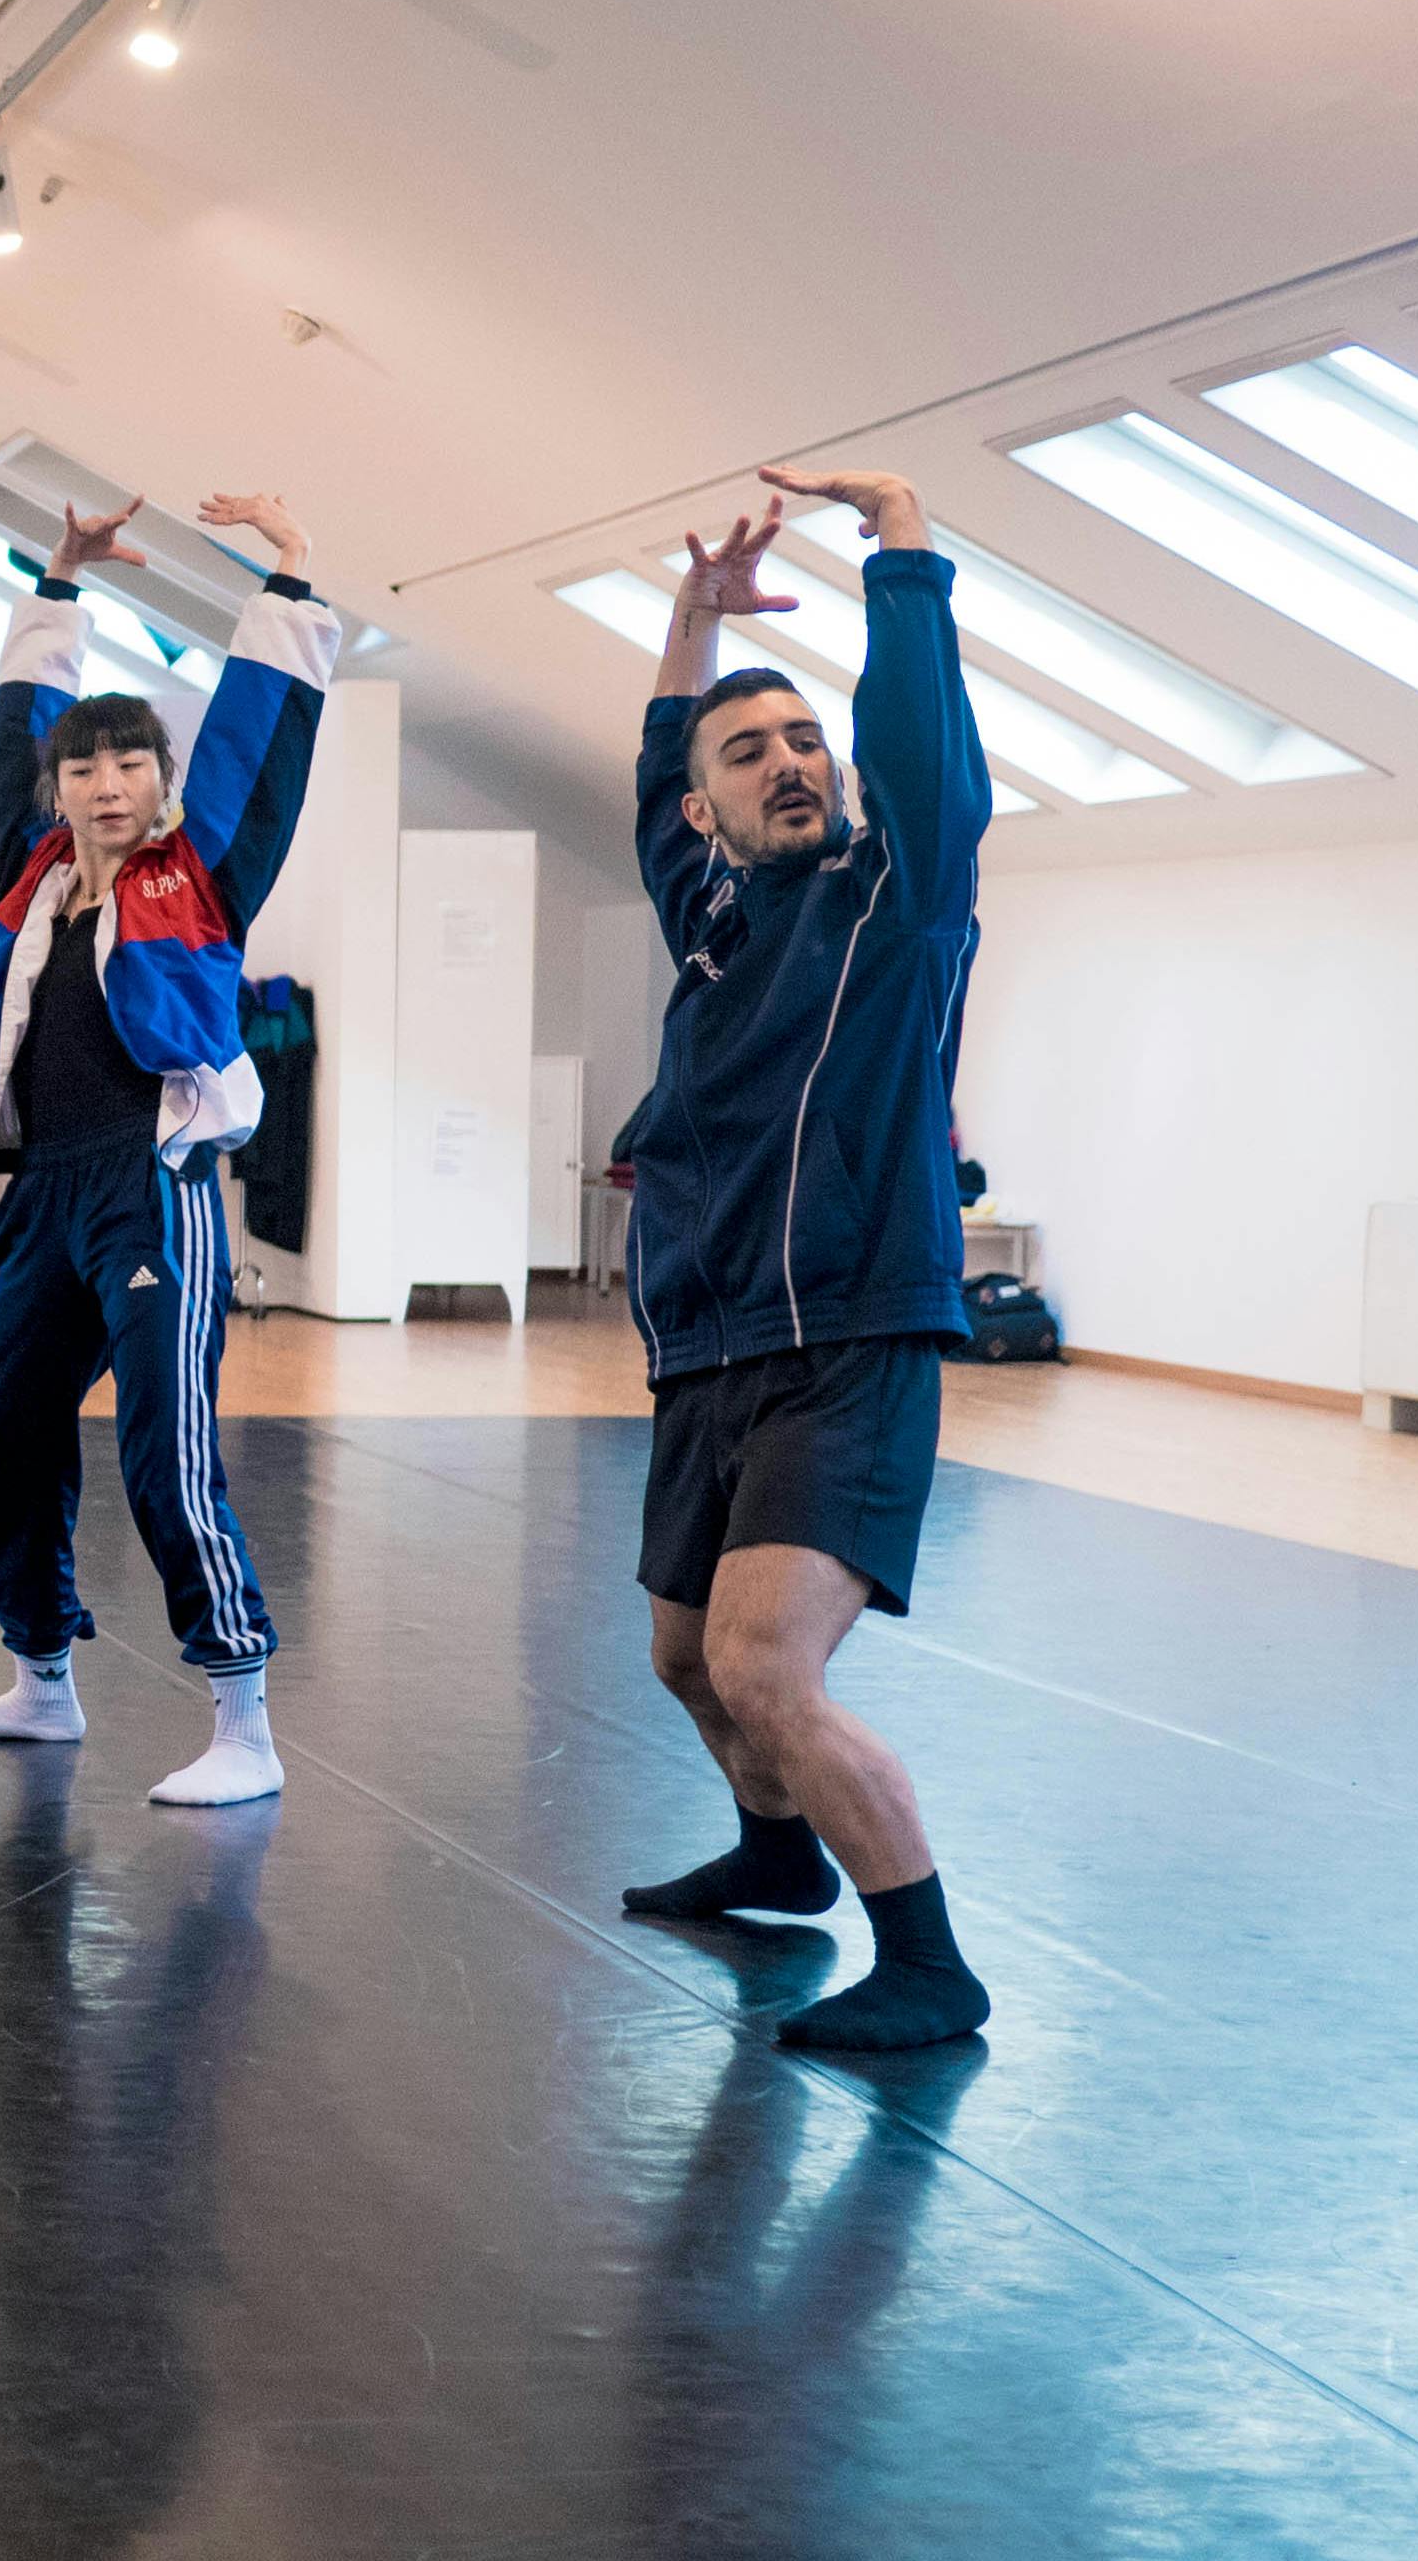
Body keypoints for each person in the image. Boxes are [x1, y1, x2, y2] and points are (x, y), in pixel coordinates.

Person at [605, 471, 993, 2053]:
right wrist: (693, 617)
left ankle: (925, 1961)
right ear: (705, 805)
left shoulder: (893, 905)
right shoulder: (703, 905)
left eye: (802, 742)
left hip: (846, 1334)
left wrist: (897, 548)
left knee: (766, 1662)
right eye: (746, 748)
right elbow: (648, 764)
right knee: (683, 1650)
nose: (788, 764)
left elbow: (926, 763)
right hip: (704, 1346)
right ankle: (778, 1855)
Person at [0, 495, 340, 1805]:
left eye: (127, 768)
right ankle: (41, 1684)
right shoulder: (28, 879)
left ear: (153, 786)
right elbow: (7, 738)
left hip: (152, 1192)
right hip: (42, 1195)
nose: (103, 784)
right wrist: (56, 581)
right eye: (81, 768)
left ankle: (240, 1716)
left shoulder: (196, 872)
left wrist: (286, 569)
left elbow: (253, 742)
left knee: (162, 1449)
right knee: (0, 1443)